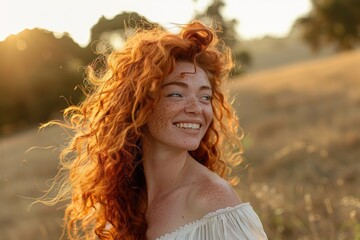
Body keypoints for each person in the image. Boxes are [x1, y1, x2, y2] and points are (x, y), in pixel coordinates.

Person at [44, 20, 268, 239]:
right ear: (139, 104)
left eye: (205, 97)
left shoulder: (214, 201)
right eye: (176, 94)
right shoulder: (127, 198)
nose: (196, 109)